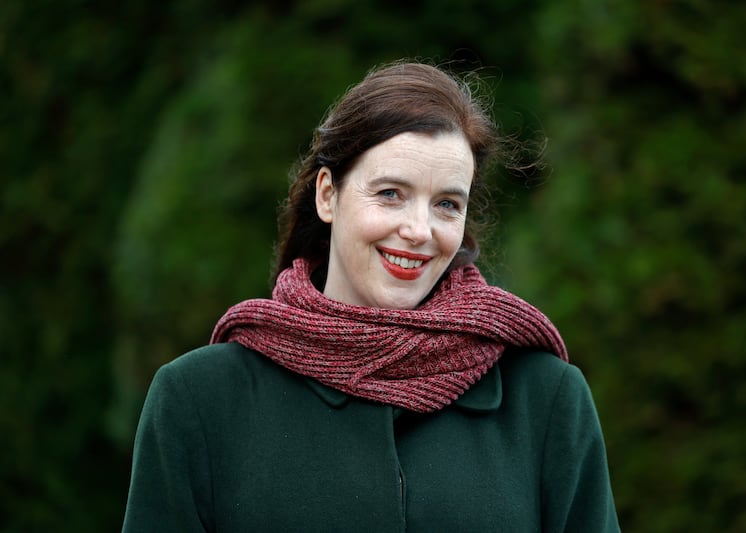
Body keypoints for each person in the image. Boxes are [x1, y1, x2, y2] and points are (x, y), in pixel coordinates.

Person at [122, 60, 620, 532]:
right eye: (390, 194)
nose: (419, 230)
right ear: (327, 195)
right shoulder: (199, 400)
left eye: (447, 204)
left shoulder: (545, 398)